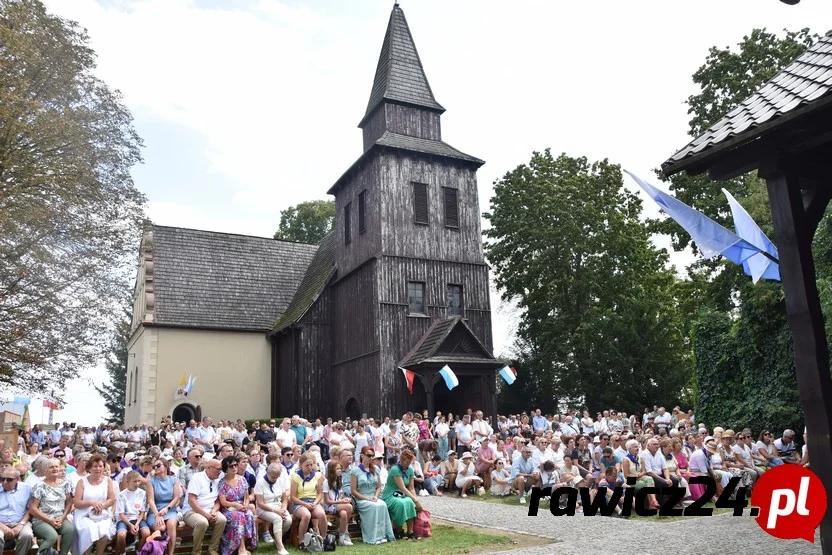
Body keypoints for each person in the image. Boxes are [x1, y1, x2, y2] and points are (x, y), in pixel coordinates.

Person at [350, 447, 395, 545]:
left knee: (382, 505)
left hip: (373, 496)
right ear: (362, 456)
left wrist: (376, 496)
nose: (371, 458)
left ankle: (383, 535)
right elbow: (353, 491)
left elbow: (378, 487)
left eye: (372, 456)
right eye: (368, 455)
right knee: (374, 506)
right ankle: (372, 536)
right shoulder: (355, 471)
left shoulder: (375, 469)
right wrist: (366, 498)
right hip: (361, 498)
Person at [29, 458, 74, 555]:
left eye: (56, 466)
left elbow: (69, 503)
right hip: (41, 520)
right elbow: (33, 508)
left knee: (70, 530)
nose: (55, 469)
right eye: (51, 467)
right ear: (45, 471)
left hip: (59, 518)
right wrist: (50, 520)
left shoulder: (65, 484)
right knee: (52, 536)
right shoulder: (39, 486)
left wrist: (62, 518)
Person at [73, 454, 116, 555]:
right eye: (95, 466)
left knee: (104, 530)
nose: (98, 469)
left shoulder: (108, 480)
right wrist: (91, 503)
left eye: (101, 466)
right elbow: (77, 503)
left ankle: (99, 553)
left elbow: (111, 499)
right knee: (87, 530)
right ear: (89, 468)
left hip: (102, 512)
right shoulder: (82, 482)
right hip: (84, 514)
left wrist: (102, 506)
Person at [183, 458, 226, 555]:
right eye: (218, 469)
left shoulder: (217, 480)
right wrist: (205, 514)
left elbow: (217, 501)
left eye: (221, 469)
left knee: (222, 520)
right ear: (209, 468)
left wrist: (214, 511)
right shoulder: (197, 477)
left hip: (210, 510)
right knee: (202, 522)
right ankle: (196, 551)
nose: (220, 472)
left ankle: (212, 549)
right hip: (192, 511)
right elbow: (191, 500)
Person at [218, 456, 256, 555]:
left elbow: (246, 497)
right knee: (238, 516)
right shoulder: (222, 483)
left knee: (249, 514)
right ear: (226, 469)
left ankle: (249, 544)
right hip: (228, 509)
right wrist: (235, 505)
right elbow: (223, 502)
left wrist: (246, 505)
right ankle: (241, 548)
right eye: (231, 466)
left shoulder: (242, 479)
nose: (235, 467)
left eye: (235, 465)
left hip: (242, 507)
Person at [381, 449, 423, 540]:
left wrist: (415, 500)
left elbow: (411, 488)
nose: (408, 464)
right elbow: (403, 488)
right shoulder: (395, 470)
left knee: (409, 502)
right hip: (390, 494)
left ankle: (410, 531)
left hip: (400, 494)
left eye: (410, 462)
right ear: (402, 460)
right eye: (407, 462)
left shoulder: (410, 470)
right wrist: (416, 500)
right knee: (400, 503)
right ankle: (398, 530)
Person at [289, 453, 326, 548]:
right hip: (300, 502)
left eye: (311, 464)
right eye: (307, 465)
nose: (310, 467)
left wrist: (315, 502)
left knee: (321, 514)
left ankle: (323, 540)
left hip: (313, 501)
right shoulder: (295, 477)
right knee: (306, 515)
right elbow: (293, 497)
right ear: (301, 465)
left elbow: (319, 494)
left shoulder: (317, 475)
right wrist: (305, 504)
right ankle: (301, 542)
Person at [253, 464, 291, 555]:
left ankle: (277, 540)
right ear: (268, 473)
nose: (275, 479)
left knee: (288, 520)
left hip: (278, 506)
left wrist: (283, 509)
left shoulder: (280, 480)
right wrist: (276, 511)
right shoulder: (260, 483)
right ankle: (280, 547)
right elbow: (260, 503)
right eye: (273, 477)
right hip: (264, 508)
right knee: (277, 519)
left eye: (277, 477)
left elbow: (284, 499)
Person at [146, 458, 180, 555]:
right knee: (161, 528)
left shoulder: (173, 480)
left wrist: (167, 508)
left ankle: (171, 553)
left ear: (165, 467)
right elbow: (151, 500)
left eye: (158, 465)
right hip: (155, 511)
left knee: (171, 524)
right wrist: (157, 514)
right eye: (154, 466)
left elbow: (176, 498)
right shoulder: (151, 481)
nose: (155, 468)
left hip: (170, 510)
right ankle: (159, 552)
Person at [114, 470, 150, 555]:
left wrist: (136, 524)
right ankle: (122, 552)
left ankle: (139, 551)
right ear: (127, 481)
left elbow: (142, 512)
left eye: (139, 481)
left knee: (146, 533)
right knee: (121, 535)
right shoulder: (121, 495)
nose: (137, 483)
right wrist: (130, 525)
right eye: (134, 481)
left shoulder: (142, 493)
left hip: (137, 518)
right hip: (124, 519)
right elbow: (121, 515)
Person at [0, 468, 34, 555]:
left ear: (17, 479)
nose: (4, 482)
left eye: (9, 480)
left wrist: (20, 525)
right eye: (2, 479)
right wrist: (3, 527)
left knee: (27, 535)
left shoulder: (27, 489)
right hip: (1, 523)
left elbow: (30, 509)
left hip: (20, 521)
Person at [322, 461, 354, 546]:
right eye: (338, 469)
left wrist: (343, 499)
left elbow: (339, 495)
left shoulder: (339, 479)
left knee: (343, 514)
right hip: (329, 506)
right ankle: (345, 533)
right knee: (349, 507)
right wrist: (340, 501)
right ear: (332, 470)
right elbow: (327, 501)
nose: (340, 470)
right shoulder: (326, 482)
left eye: (340, 468)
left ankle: (341, 538)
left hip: (337, 504)